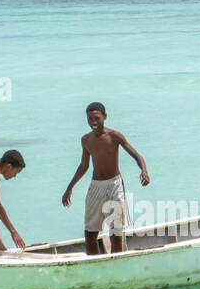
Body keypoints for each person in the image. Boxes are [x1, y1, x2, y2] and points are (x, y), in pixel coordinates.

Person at [61, 102, 150, 255]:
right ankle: (94, 265)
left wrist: (144, 171)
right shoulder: (85, 140)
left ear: (105, 117)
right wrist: (69, 188)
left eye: (97, 118)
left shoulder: (114, 136)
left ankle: (116, 264)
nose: (93, 122)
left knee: (116, 232)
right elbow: (84, 166)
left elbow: (137, 155)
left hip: (114, 185)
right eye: (90, 119)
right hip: (96, 186)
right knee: (90, 233)